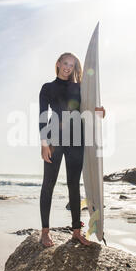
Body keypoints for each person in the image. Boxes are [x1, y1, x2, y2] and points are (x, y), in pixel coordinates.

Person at [39, 52, 106, 247]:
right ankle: (45, 232)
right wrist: (44, 143)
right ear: (58, 63)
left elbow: (89, 109)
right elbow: (43, 116)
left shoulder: (80, 87)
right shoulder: (48, 88)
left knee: (74, 185)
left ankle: (76, 231)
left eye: (72, 64)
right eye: (65, 63)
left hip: (77, 139)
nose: (68, 67)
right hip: (54, 139)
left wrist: (101, 111)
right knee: (48, 185)